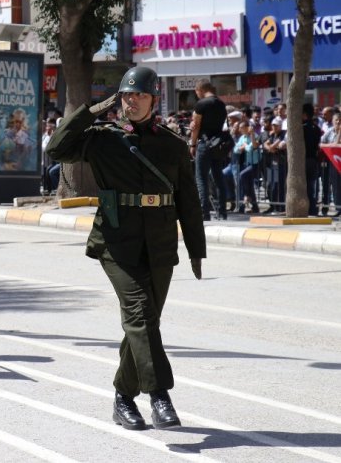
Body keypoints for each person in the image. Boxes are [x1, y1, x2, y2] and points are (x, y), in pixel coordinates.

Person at [46, 66, 206, 431]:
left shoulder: (172, 144)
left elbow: (188, 200)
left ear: (153, 99)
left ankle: (122, 396)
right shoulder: (102, 137)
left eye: (139, 95)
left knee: (145, 322)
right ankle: (159, 395)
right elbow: (56, 149)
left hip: (161, 241)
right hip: (117, 241)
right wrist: (91, 112)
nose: (132, 101)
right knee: (139, 314)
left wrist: (197, 248)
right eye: (126, 95)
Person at [189, 79, 228, 220]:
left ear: (200, 89)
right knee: (218, 177)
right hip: (218, 144)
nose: (197, 94)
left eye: (196, 92)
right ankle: (222, 212)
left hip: (204, 144)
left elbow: (196, 126)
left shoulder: (201, 104)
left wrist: (192, 144)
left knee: (201, 178)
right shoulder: (221, 104)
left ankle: (204, 213)